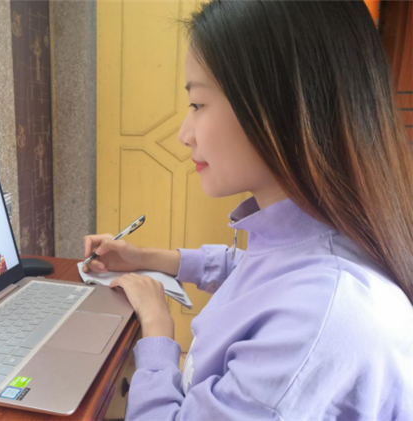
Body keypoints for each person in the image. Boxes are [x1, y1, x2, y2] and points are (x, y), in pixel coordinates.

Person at [83, 1, 413, 420]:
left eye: (197, 104)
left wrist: (157, 328)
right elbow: (250, 268)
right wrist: (143, 258)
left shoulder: (316, 322)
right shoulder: (316, 237)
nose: (184, 133)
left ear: (282, 107)